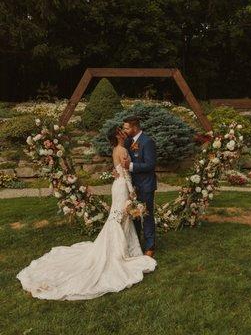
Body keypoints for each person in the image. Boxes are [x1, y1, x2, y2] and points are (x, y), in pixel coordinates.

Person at [16, 126, 156, 301]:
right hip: (123, 188)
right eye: (121, 131)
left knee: (120, 218)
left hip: (118, 185)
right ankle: (116, 252)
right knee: (118, 218)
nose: (123, 132)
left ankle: (125, 247)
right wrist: (132, 192)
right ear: (117, 136)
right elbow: (126, 174)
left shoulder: (117, 148)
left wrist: (121, 177)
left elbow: (120, 169)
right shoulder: (122, 149)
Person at [121, 116, 157, 258]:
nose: (125, 130)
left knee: (146, 215)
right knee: (134, 215)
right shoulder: (129, 141)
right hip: (133, 186)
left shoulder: (147, 142)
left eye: (126, 127)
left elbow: (150, 164)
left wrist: (130, 166)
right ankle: (136, 243)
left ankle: (150, 246)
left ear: (134, 128)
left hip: (146, 185)